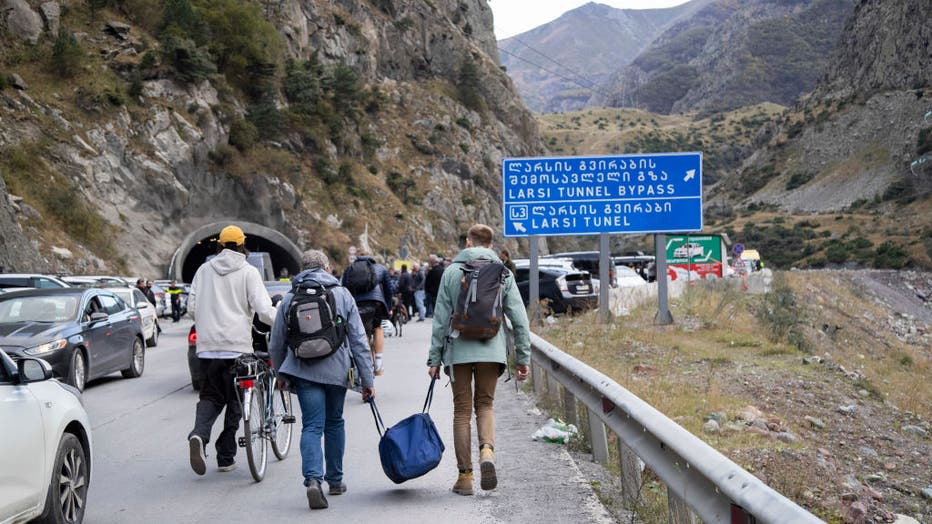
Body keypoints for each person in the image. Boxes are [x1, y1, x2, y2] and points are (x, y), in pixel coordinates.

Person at [427, 224, 530, 496]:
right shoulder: (503, 273)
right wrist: (523, 357)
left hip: (458, 349)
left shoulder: (451, 272)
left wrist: (434, 358)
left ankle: (465, 478)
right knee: (485, 405)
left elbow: (440, 320)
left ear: (468, 241)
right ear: (491, 245)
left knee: (461, 411)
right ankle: (487, 451)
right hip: (491, 349)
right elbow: (519, 319)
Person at [268, 250, 375, 510]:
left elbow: (277, 341)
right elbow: (359, 340)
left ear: (302, 268)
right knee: (334, 422)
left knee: (312, 426)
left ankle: (313, 480)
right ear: (326, 267)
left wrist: (280, 373)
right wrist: (367, 379)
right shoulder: (341, 293)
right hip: (337, 370)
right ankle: (335, 481)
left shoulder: (290, 297)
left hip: (303, 370)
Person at [186, 225, 276, 475]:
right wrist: (282, 321)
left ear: (219, 245)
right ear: (242, 244)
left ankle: (198, 434)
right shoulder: (249, 272)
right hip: (237, 348)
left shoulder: (203, 270)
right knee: (238, 402)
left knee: (210, 397)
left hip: (207, 350)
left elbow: (191, 308)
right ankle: (225, 457)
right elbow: (263, 309)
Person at [342, 250, 393, 376]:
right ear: (371, 257)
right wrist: (389, 307)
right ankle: (379, 362)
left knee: (362, 333)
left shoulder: (350, 269)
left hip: (357, 304)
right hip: (376, 303)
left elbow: (343, 289)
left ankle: (367, 363)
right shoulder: (380, 268)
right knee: (377, 329)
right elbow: (389, 289)